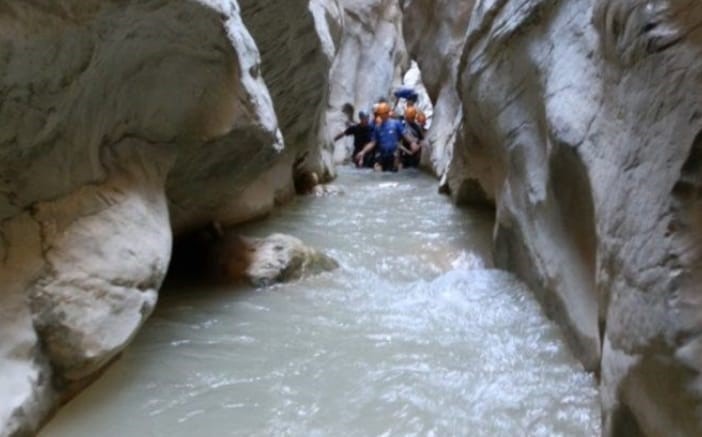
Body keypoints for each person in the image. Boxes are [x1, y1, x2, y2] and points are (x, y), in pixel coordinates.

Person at [355, 102, 418, 172]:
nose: (381, 116)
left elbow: (405, 135)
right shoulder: (377, 127)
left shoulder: (396, 123)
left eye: (382, 114)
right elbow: (373, 142)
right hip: (382, 155)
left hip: (394, 154)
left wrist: (412, 142)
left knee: (397, 168)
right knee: (377, 170)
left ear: (387, 113)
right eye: (379, 114)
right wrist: (363, 152)